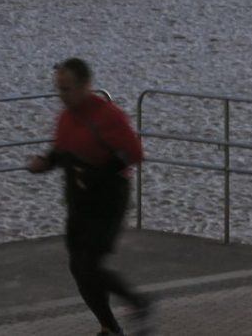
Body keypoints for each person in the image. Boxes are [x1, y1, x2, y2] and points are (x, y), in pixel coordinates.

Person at [27, 57, 156, 336]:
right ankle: (109, 326)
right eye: (59, 89)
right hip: (78, 200)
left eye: (68, 88)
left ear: (86, 85)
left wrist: (98, 173)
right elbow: (60, 153)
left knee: (88, 264)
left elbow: (134, 153)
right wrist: (42, 164)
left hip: (108, 199)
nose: (62, 96)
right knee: (79, 268)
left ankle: (139, 302)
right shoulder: (65, 118)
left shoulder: (108, 115)